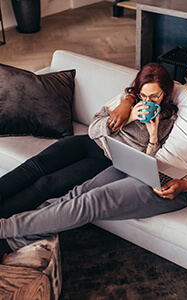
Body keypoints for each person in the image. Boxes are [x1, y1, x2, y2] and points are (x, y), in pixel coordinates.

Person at [0, 53, 187, 260]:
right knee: (77, 194)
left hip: (175, 186)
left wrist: (185, 185)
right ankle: (11, 243)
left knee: (92, 201)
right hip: (147, 162)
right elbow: (146, 87)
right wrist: (129, 104)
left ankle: (4, 228)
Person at [0, 63, 176, 219]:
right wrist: (128, 116)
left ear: (165, 93)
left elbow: (148, 165)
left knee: (47, 184)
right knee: (34, 165)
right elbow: (93, 129)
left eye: (154, 96)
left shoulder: (169, 122)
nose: (147, 101)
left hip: (107, 160)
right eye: (143, 95)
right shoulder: (127, 99)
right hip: (89, 143)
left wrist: (153, 136)